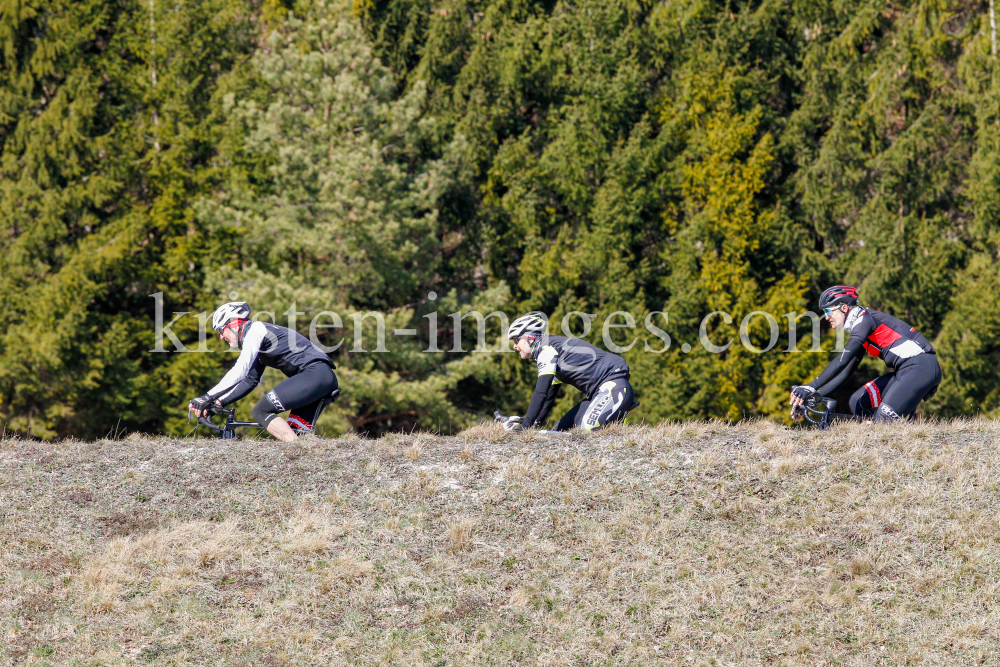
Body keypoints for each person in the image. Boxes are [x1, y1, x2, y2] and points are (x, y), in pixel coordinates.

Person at [188, 302, 338, 442]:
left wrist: (207, 396)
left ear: (234, 323)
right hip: (319, 377)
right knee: (298, 434)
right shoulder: (258, 342)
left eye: (221, 330)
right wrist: (218, 403)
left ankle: (298, 451)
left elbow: (240, 370)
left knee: (261, 411)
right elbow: (250, 381)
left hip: (314, 374)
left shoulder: (255, 329)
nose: (221, 336)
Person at [790, 286, 941, 421]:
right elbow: (845, 372)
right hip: (905, 371)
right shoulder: (861, 328)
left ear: (843, 308)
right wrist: (814, 397)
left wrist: (811, 386)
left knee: (882, 425)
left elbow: (843, 358)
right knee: (857, 401)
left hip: (921, 368)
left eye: (828, 311)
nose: (826, 317)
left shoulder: (864, 319)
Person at [499, 312, 636, 432]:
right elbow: (548, 396)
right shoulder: (549, 350)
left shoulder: (546, 349)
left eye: (517, 339)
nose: (515, 346)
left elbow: (541, 392)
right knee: (559, 433)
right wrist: (533, 423)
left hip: (613, 386)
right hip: (597, 393)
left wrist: (525, 426)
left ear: (530, 337)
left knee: (587, 429)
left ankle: (618, 420)